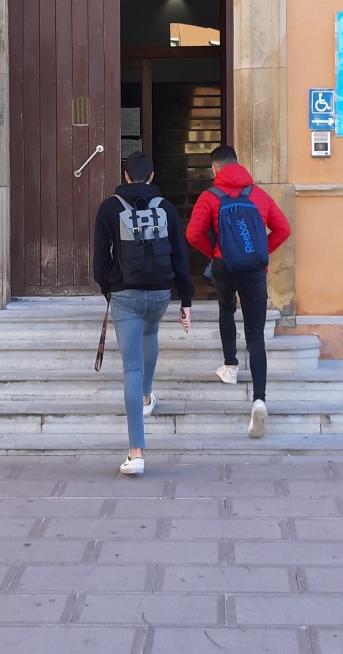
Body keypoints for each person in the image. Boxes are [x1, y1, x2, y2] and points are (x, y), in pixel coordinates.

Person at [92, 151, 193, 475]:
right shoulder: (166, 208)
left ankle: (136, 452)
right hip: (160, 293)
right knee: (151, 334)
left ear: (125, 176)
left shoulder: (109, 208)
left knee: (131, 369)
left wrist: (109, 287)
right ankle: (147, 398)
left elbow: (100, 259)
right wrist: (186, 299)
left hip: (125, 294)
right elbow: (180, 254)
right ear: (151, 177)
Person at [185, 145, 291, 438]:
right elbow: (283, 230)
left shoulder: (210, 197)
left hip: (224, 266)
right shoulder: (259, 196)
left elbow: (192, 234)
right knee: (256, 334)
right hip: (255, 270)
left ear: (215, 169)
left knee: (226, 308)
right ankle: (259, 400)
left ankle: (230, 366)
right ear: (238, 164)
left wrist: (218, 253)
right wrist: (260, 252)